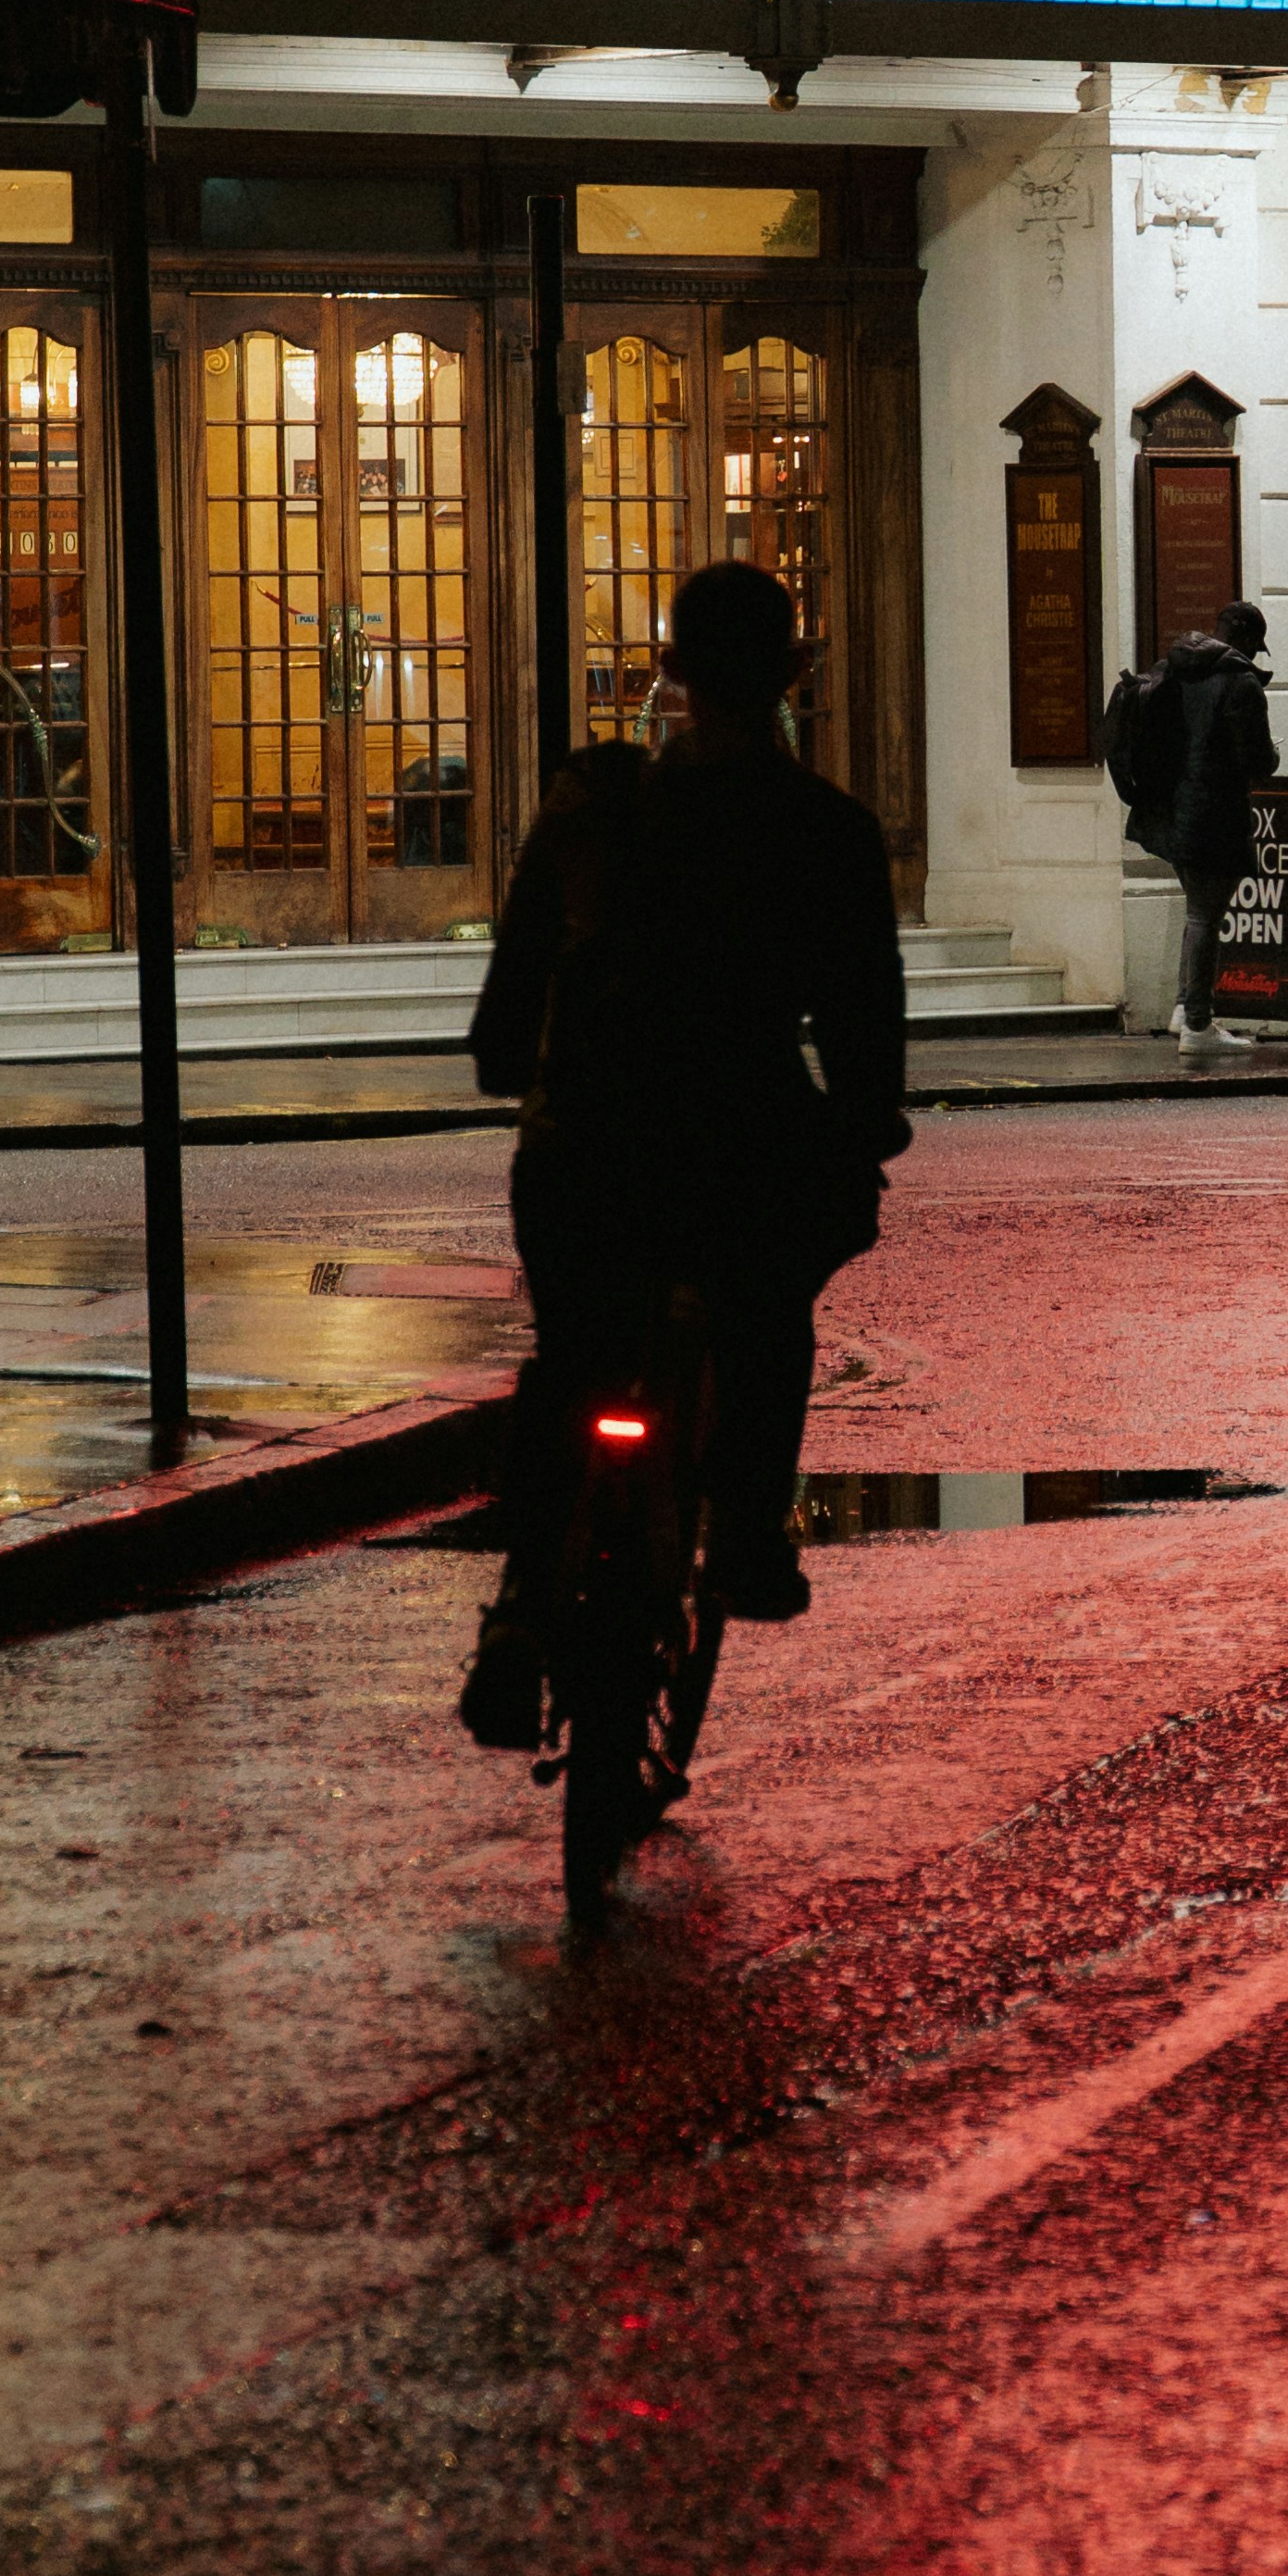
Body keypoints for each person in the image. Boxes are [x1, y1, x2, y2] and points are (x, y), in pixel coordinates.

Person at [454, 561, 909, 1744]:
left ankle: (515, 1614)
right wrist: (865, 1130)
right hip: (740, 1140)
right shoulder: (828, 831)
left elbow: (510, 1011)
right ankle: (748, 1533)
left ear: (670, 674)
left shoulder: (594, 807)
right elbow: (864, 1033)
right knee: (766, 1320)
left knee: (570, 1365)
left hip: (589, 1139)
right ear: (792, 675)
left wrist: (517, 1067)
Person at [1108, 599, 1276, 1043]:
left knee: (1198, 912)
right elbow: (1258, 759)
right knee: (1206, 918)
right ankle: (1199, 1024)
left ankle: (1185, 1010)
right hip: (1214, 815)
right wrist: (1272, 750)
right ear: (1241, 639)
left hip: (1172, 812)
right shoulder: (1240, 683)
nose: (1257, 655)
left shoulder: (1176, 669)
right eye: (1256, 646)